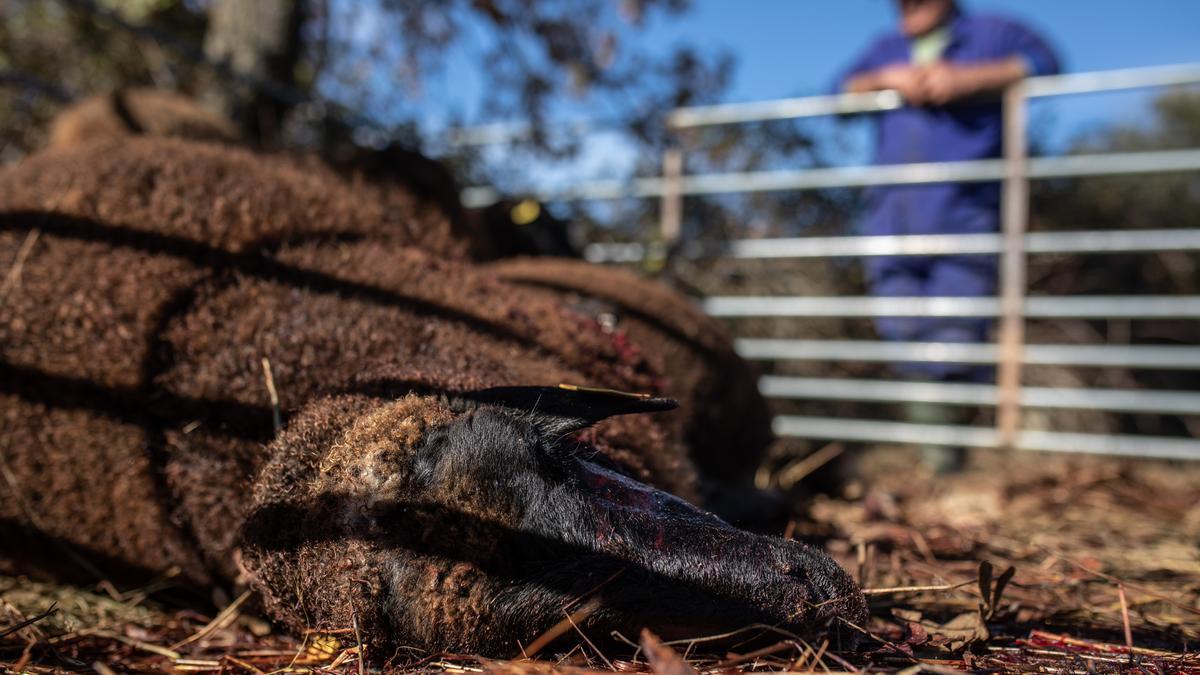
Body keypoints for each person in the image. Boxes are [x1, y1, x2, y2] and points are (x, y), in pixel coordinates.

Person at [838, 0, 1060, 471]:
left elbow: (1047, 62)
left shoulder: (995, 33)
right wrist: (886, 79)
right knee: (902, 331)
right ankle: (936, 463)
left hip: (964, 211)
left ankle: (948, 464)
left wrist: (971, 79)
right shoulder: (886, 48)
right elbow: (840, 94)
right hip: (892, 215)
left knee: (955, 336)